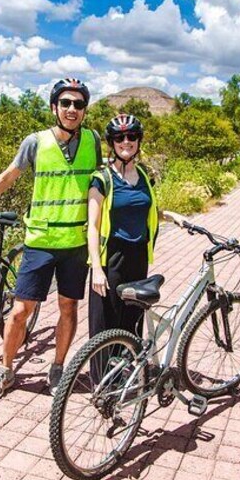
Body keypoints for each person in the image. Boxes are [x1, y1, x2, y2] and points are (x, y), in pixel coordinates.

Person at [0, 77, 101, 399]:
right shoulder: (35, 142)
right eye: (65, 103)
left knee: (68, 307)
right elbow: (8, 176)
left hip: (75, 243)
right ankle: (6, 370)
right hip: (40, 241)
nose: (72, 109)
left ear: (84, 110)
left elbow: (104, 184)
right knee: (21, 311)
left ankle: (59, 367)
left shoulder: (93, 141)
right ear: (54, 107)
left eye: (78, 104)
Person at [87, 114, 159, 340]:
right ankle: (102, 375)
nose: (126, 141)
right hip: (112, 260)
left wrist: (170, 216)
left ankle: (129, 372)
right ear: (112, 142)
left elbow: (141, 208)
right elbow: (93, 227)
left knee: (132, 320)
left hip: (138, 257)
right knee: (106, 324)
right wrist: (97, 270)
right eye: (119, 137)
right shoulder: (102, 179)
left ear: (138, 141)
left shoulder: (145, 175)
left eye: (131, 136)